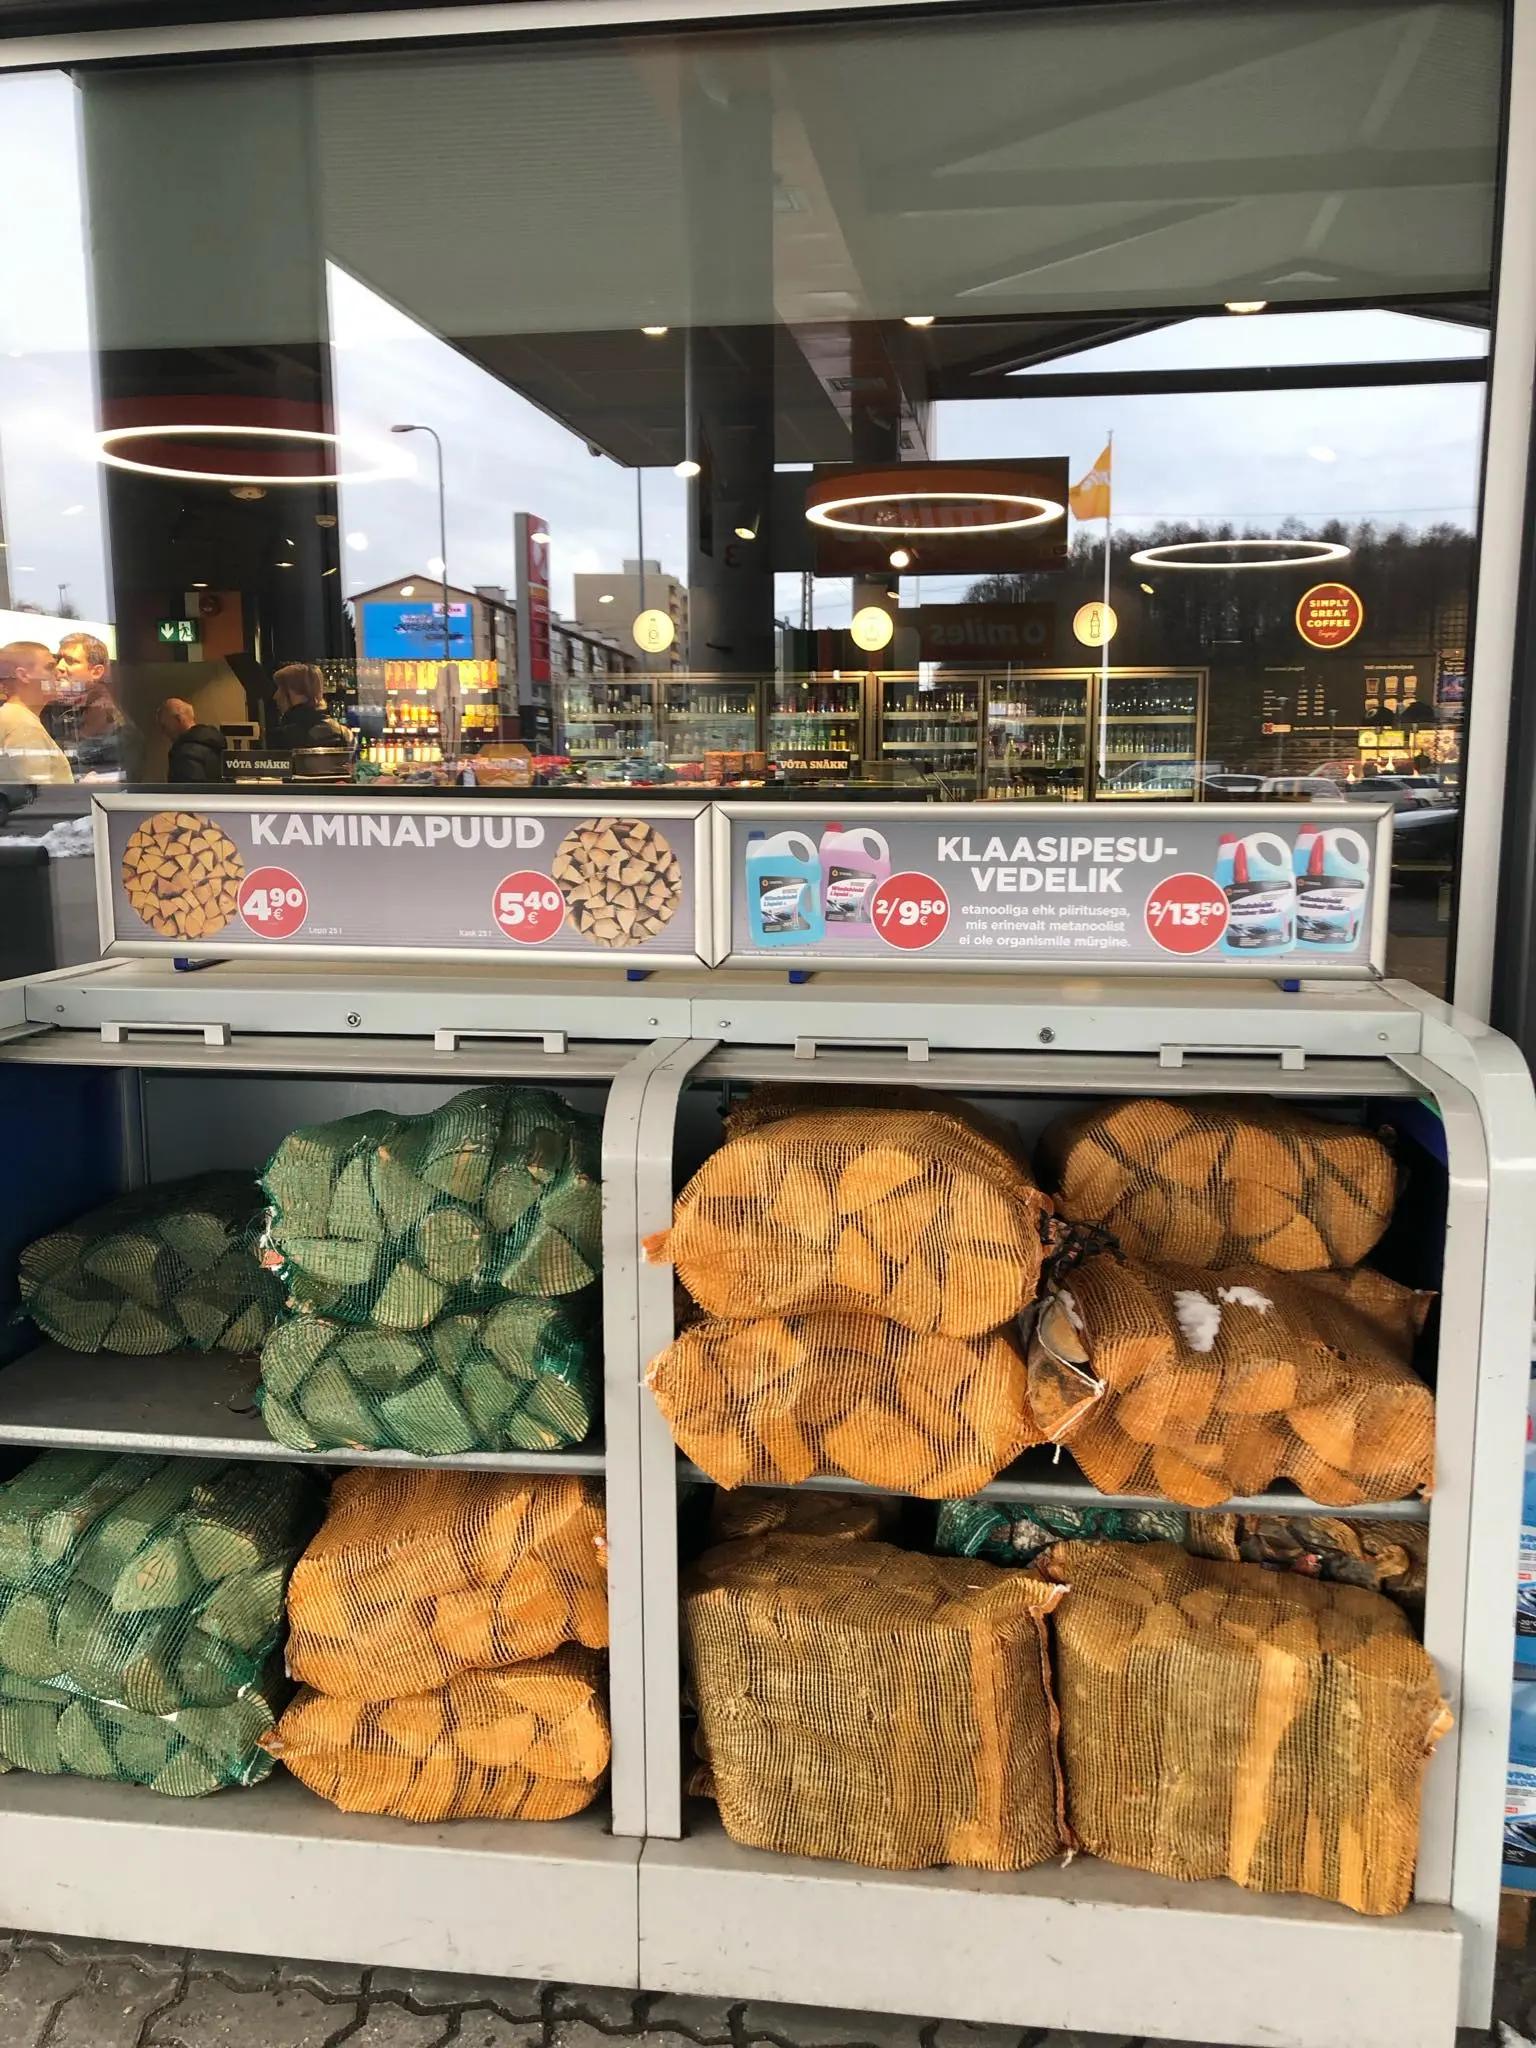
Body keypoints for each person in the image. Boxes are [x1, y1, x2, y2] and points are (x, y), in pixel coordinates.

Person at [55, 632, 143, 781]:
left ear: (96, 672)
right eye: (58, 659)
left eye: (70, 661)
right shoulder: (69, 713)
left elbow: (117, 782)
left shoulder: (118, 729)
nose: (59, 667)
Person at [0, 641, 74, 785]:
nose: (58, 673)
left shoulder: (14, 718)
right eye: (50, 667)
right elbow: (38, 794)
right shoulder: (22, 725)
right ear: (23, 675)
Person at [269, 663, 346, 752]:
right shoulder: (344, 733)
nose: (275, 696)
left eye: (280, 689)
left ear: (296, 692)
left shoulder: (284, 737)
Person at [158, 698, 227, 783]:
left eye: (164, 726)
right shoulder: (216, 745)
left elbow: (187, 789)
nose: (163, 732)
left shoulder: (184, 754)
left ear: (179, 720)